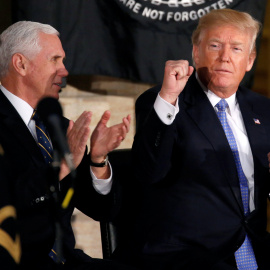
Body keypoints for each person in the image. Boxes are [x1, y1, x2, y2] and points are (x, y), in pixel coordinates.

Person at [116, 8, 270, 270]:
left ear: (250, 60)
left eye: (236, 48)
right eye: (215, 45)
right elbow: (148, 172)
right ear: (196, 51)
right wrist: (167, 99)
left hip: (254, 246)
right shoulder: (165, 102)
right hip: (186, 255)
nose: (224, 57)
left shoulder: (263, 110)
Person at [0, 21, 135, 270]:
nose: (64, 71)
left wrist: (97, 160)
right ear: (20, 64)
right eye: (55, 60)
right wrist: (60, 168)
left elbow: (101, 210)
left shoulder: (60, 128)